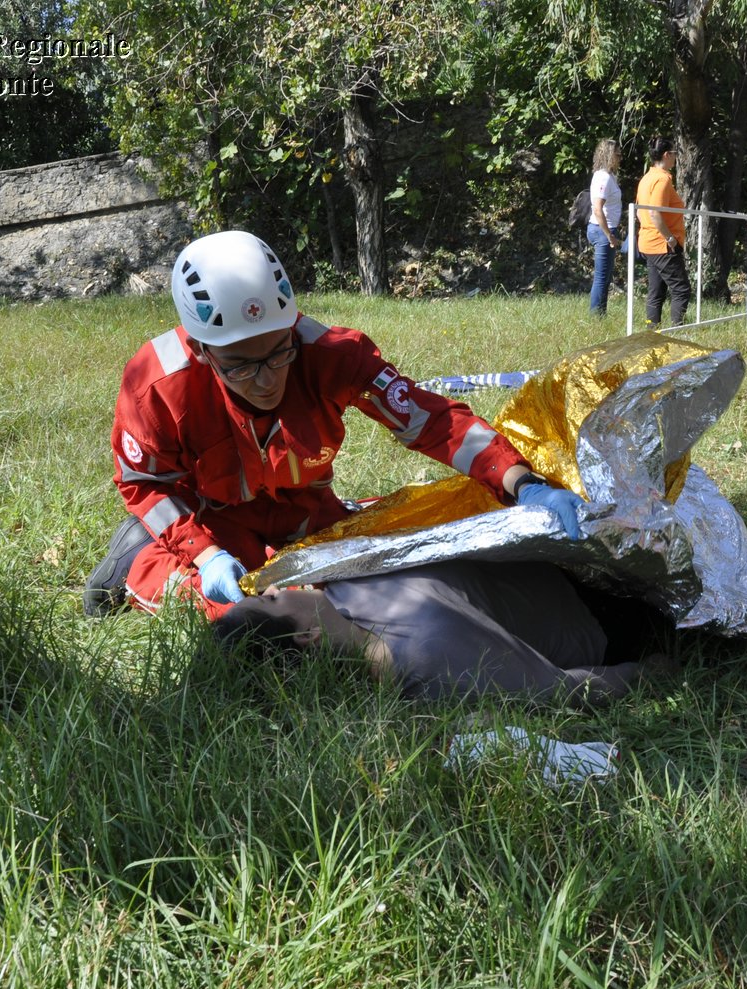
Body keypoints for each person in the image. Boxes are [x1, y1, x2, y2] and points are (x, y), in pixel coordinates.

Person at [83, 230, 586, 619]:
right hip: (211, 524)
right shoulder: (156, 384)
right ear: (201, 349)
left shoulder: (331, 355)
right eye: (240, 365)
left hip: (304, 515)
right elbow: (145, 484)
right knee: (239, 612)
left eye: (279, 353)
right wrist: (205, 553)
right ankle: (134, 558)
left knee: (380, 569)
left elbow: (428, 419)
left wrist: (520, 482)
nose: (266, 381)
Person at [214, 560, 672, 704]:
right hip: (604, 608)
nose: (275, 587)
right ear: (306, 637)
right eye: (271, 599)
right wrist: (654, 671)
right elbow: (561, 689)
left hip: (550, 558)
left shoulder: (343, 582)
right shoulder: (430, 663)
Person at [636, 136, 691, 329]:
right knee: (681, 289)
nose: (676, 158)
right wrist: (670, 238)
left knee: (656, 290)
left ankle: (652, 331)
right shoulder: (662, 179)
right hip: (662, 244)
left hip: (648, 242)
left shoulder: (647, 178)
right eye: (675, 154)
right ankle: (678, 331)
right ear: (667, 155)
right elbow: (655, 212)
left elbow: (639, 210)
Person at [587, 139, 624, 316]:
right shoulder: (603, 177)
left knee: (605, 276)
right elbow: (597, 208)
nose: (620, 157)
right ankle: (597, 316)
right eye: (617, 154)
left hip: (606, 230)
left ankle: (600, 313)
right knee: (601, 278)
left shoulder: (609, 176)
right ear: (609, 155)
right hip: (603, 231)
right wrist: (608, 234)